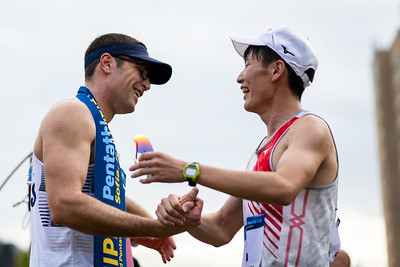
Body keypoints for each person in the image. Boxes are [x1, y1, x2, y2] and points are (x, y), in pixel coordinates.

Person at [130, 26, 340, 266]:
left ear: (276, 69)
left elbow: (284, 187)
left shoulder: (309, 127)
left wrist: (190, 170)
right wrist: (187, 219)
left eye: (248, 64)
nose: (239, 77)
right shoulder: (264, 149)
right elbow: (221, 228)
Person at [29, 33, 203, 267]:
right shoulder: (72, 112)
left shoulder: (91, 125)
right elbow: (65, 205)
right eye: (142, 71)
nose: (148, 85)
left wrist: (149, 229)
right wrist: (155, 227)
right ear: (107, 63)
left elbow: (99, 200)